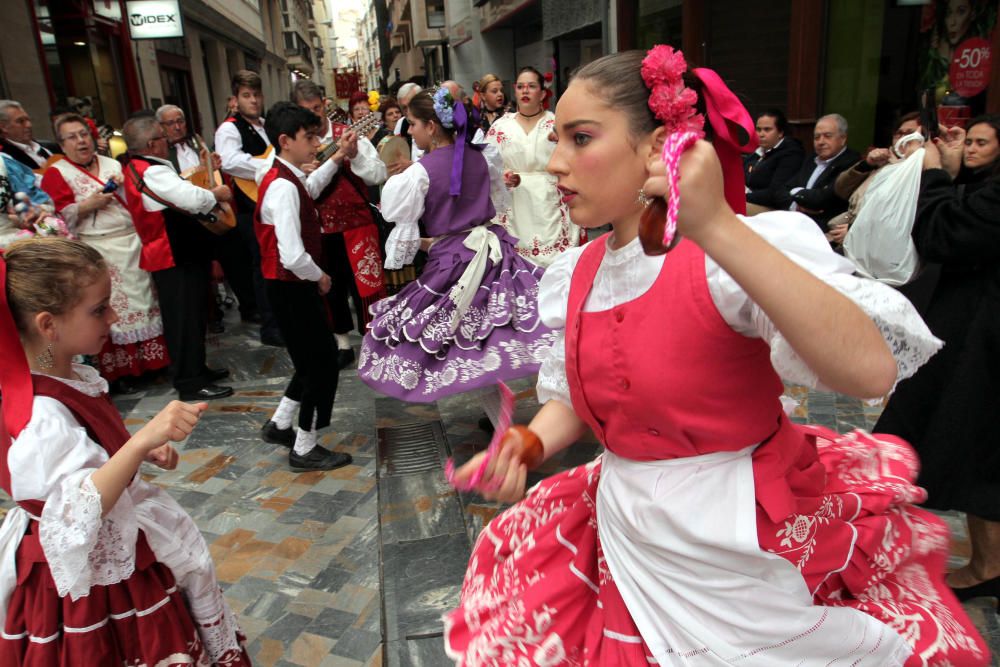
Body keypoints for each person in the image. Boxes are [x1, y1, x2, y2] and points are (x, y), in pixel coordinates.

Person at [443, 48, 988, 666]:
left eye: (580, 138)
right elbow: (577, 388)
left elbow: (868, 370)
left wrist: (719, 230)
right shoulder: (579, 272)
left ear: (657, 149)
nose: (556, 161)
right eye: (558, 140)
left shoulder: (733, 256)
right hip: (630, 527)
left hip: (740, 536)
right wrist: (532, 442)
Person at [0, 237, 249, 665]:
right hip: (93, 579)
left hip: (109, 544)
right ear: (48, 325)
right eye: (99, 309)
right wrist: (137, 445)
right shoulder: (41, 413)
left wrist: (130, 452)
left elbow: (79, 452)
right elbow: (74, 507)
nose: (114, 316)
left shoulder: (63, 376)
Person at [358, 87, 557, 403]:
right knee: (491, 334)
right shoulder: (482, 156)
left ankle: (503, 416)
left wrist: (422, 243)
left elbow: (404, 220)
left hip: (455, 262)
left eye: (413, 123)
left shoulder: (421, 171)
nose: (410, 130)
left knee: (463, 338)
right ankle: (509, 410)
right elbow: (491, 202)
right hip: (494, 253)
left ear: (432, 127)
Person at [875, 115, 1000, 612]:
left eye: (978, 143)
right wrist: (952, 171)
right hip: (970, 333)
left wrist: (932, 175)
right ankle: (988, 565)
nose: (968, 148)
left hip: (980, 341)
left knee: (941, 447)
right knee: (981, 456)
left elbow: (946, 232)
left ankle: (868, 545)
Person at [254, 101, 354, 471]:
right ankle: (305, 446)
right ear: (285, 140)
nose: (316, 144)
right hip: (291, 285)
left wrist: (338, 157)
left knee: (313, 357)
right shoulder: (282, 186)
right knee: (322, 364)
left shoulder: (285, 176)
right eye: (309, 137)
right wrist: (321, 276)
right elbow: (293, 255)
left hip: (285, 286)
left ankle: (281, 423)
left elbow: (308, 188)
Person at [40, 114, 169, 392]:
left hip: (132, 243)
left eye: (84, 134)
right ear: (62, 144)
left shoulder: (113, 164)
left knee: (145, 303)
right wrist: (88, 205)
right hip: (98, 249)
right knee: (113, 310)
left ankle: (154, 366)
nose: (81, 141)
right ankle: (125, 371)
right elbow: (56, 218)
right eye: (72, 137)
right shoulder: (58, 173)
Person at [121, 115, 234, 401]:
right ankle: (190, 381)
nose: (167, 141)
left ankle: (197, 369)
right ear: (151, 144)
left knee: (192, 315)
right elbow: (190, 198)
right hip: (172, 255)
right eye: (162, 137)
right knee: (183, 319)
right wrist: (216, 193)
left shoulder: (143, 168)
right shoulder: (150, 171)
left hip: (177, 253)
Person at [291, 79, 388, 369]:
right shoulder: (298, 147)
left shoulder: (348, 134)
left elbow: (377, 174)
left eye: (318, 108)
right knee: (331, 288)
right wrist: (333, 160)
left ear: (325, 105)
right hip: (322, 228)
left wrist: (355, 154)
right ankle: (342, 343)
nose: (314, 116)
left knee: (368, 283)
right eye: (307, 110)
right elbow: (308, 190)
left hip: (358, 223)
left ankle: (374, 339)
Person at [158, 104, 258, 329]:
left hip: (213, 209)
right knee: (199, 269)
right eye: (171, 123)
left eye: (180, 121)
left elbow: (212, 174)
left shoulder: (197, 142)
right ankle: (211, 316)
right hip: (188, 217)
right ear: (161, 128)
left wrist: (213, 166)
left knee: (235, 255)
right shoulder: (164, 153)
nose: (177, 127)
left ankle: (250, 307)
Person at [484, 67, 581, 267]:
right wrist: (503, 176)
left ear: (543, 93)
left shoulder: (556, 123)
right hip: (514, 204)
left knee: (555, 263)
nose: (525, 91)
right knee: (516, 264)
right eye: (520, 87)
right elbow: (488, 166)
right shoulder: (500, 127)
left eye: (531, 86)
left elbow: (573, 159)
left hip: (550, 201)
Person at [215, 70, 284, 347]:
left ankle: (280, 319)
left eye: (256, 95)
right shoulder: (229, 129)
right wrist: (269, 168)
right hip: (249, 208)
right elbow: (230, 161)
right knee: (262, 266)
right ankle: (270, 326)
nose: (253, 101)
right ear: (235, 99)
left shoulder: (266, 125)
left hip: (271, 204)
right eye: (246, 96)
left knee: (277, 263)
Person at [827, 112, 924, 246]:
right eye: (898, 133)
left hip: (875, 244)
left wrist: (854, 230)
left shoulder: (921, 168)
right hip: (847, 235)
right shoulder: (883, 160)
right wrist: (867, 164)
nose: (902, 138)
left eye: (909, 133)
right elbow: (841, 188)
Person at [756, 114, 859, 231]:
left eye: (827, 136)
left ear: (843, 138)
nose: (821, 142)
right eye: (816, 137)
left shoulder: (850, 162)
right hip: (792, 217)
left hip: (821, 228)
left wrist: (796, 192)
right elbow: (781, 191)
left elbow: (822, 199)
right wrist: (796, 205)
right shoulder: (812, 159)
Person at [744, 108, 804, 214]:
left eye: (767, 130)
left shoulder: (791, 154)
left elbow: (774, 193)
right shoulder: (758, 152)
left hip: (774, 209)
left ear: (780, 132)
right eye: (758, 129)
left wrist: (742, 196)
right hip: (750, 200)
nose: (761, 134)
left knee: (730, 208)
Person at [0, 100, 59, 171]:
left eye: (28, 119)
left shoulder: (48, 147)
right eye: (20, 121)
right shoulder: (4, 159)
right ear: (3, 127)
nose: (29, 125)